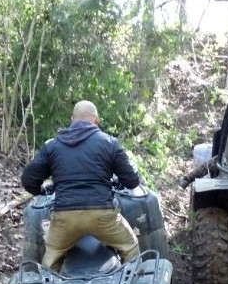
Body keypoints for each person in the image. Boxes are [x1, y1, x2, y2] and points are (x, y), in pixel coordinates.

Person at [21, 100, 141, 272]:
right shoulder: (109, 143)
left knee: (50, 260)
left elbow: (28, 179)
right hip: (102, 216)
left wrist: (41, 190)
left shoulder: (52, 145)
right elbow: (132, 181)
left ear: (72, 119)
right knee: (130, 247)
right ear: (96, 120)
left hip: (64, 218)